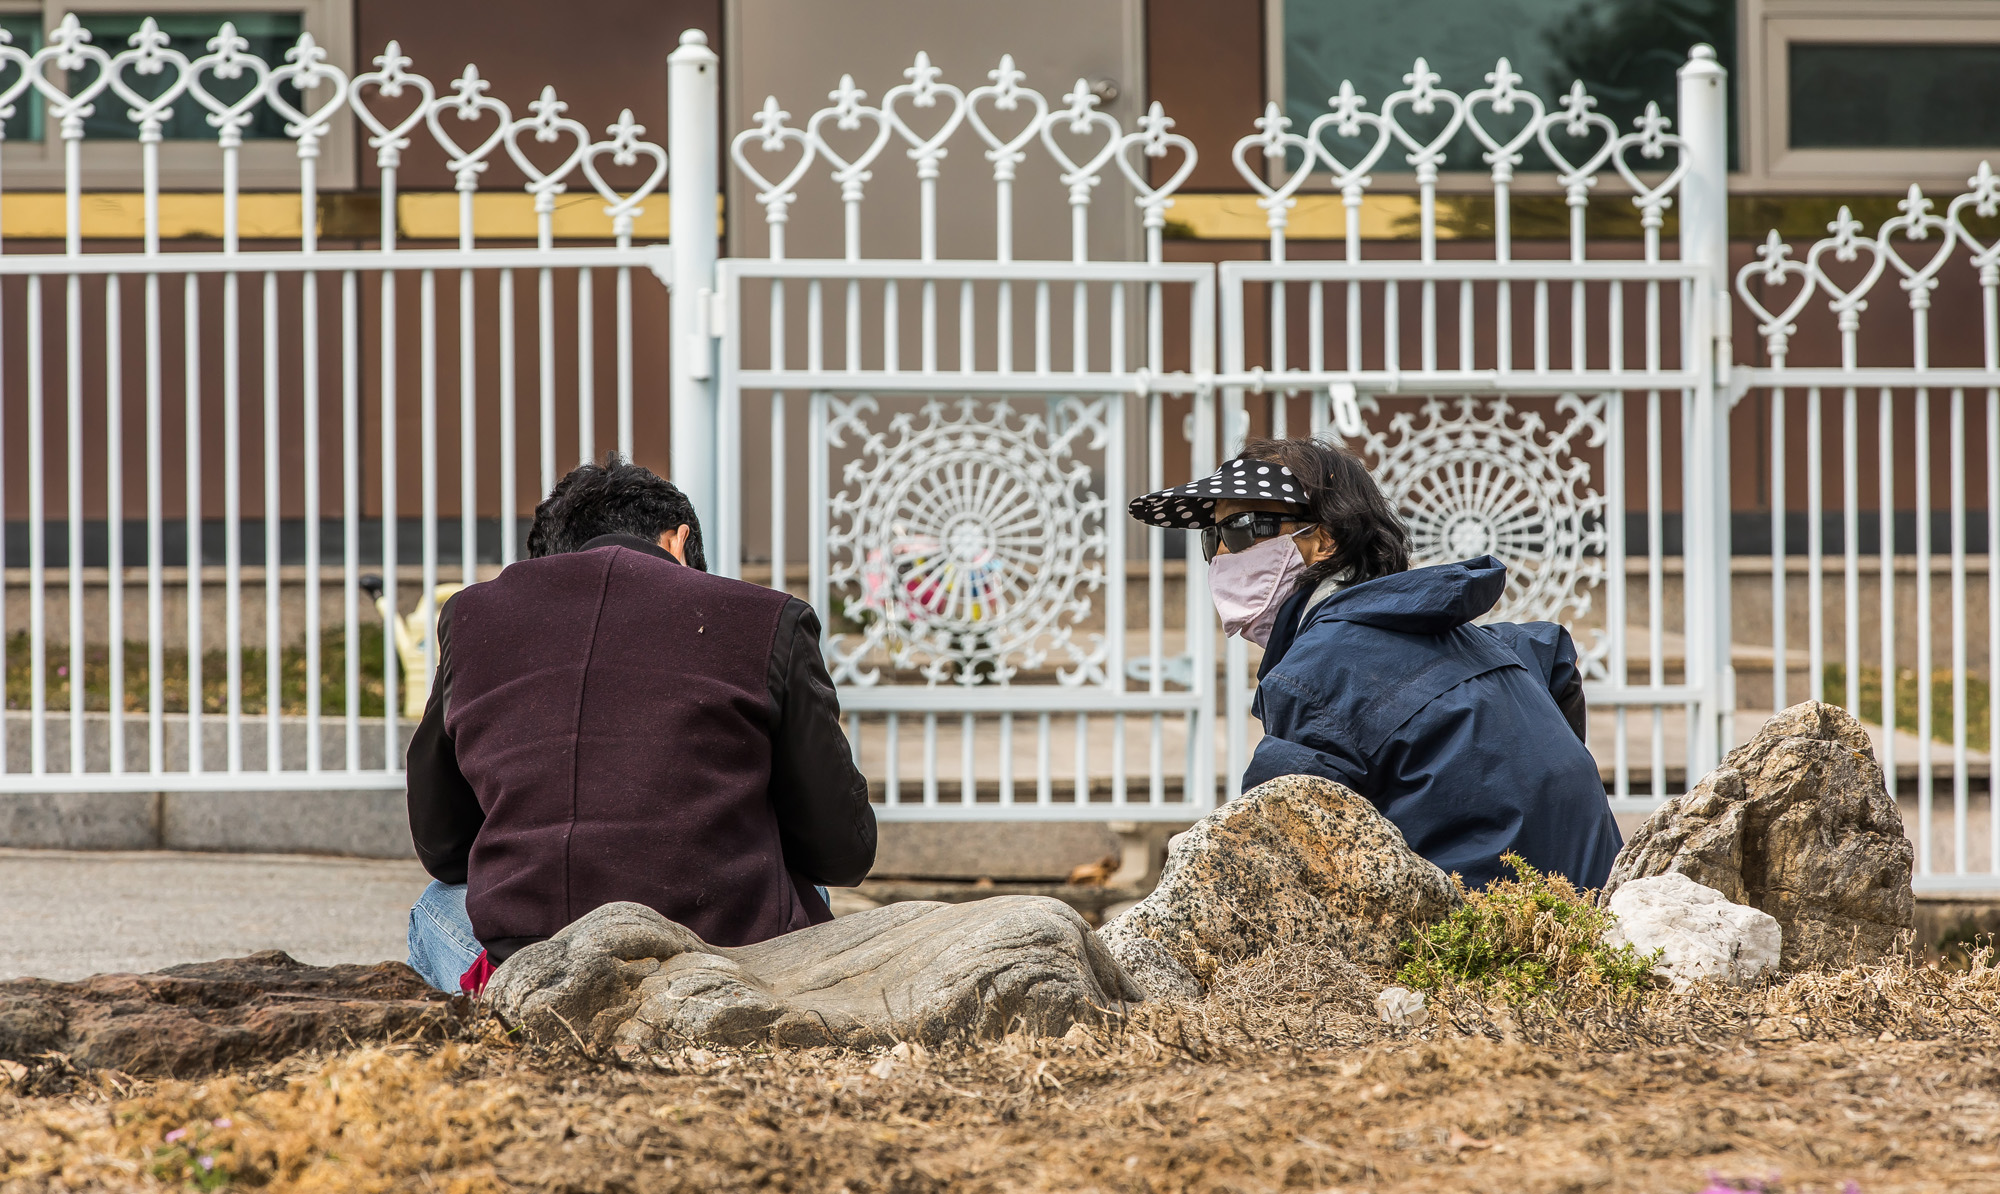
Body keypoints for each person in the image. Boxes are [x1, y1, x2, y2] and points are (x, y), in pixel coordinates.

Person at [403, 455, 876, 993]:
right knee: (803, 886)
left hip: (533, 967)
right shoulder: (770, 617)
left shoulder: (472, 618)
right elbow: (841, 851)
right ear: (677, 541)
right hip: (728, 959)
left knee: (436, 905)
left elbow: (442, 846)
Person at [1128, 436, 1621, 889]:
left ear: (1324, 541)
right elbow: (1551, 655)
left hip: (1479, 952)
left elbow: (1278, 853)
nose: (1222, 556)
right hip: (1602, 922)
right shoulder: (1470, 638)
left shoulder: (1314, 674)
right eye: (1211, 539)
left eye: (1240, 529)